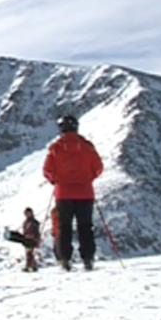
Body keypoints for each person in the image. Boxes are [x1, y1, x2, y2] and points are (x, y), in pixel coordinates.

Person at [43, 114, 103, 271]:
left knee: (64, 227)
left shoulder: (55, 148)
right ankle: (88, 259)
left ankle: (65, 259)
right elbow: (98, 167)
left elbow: (47, 170)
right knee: (85, 227)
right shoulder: (87, 146)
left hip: (63, 193)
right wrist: (87, 178)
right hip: (85, 192)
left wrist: (56, 180)